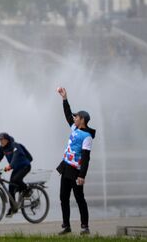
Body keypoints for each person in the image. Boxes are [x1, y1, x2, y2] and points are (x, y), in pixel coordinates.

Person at [56, 87, 96, 235]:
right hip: (66, 167)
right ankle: (66, 225)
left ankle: (85, 226)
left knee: (79, 199)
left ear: (82, 120)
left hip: (76, 171)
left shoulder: (87, 137)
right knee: (63, 197)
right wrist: (64, 99)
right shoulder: (75, 128)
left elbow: (86, 158)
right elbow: (68, 115)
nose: (74, 118)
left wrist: (82, 176)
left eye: (77, 117)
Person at [0, 132, 32, 217]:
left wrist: (10, 166)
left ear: (7, 140)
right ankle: (13, 208)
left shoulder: (14, 145)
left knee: (16, 180)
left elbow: (16, 156)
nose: (0, 142)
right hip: (16, 168)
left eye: (2, 140)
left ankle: (27, 189)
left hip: (25, 166)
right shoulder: (2, 148)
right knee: (11, 188)